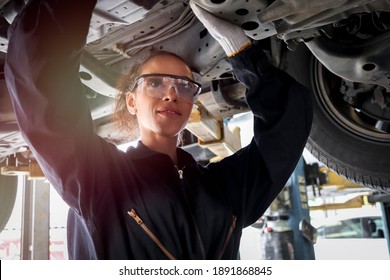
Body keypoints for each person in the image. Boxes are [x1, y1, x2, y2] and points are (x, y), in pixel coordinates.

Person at [5, 0, 313, 260]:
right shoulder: (100, 179)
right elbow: (41, 85)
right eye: (155, 83)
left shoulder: (213, 187)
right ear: (131, 101)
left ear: (193, 102)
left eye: (184, 86)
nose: (171, 94)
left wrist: (240, 52)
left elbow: (287, 128)